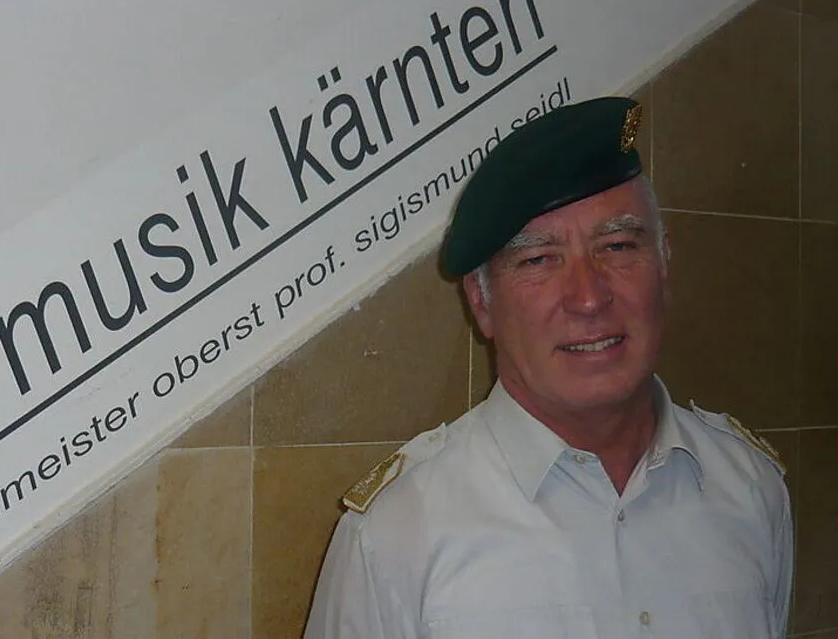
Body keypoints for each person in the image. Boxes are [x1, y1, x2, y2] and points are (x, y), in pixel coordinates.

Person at [303, 96, 793, 639]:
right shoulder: (399, 533)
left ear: (664, 265)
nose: (589, 297)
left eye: (618, 246)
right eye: (538, 260)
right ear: (481, 302)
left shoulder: (750, 489)